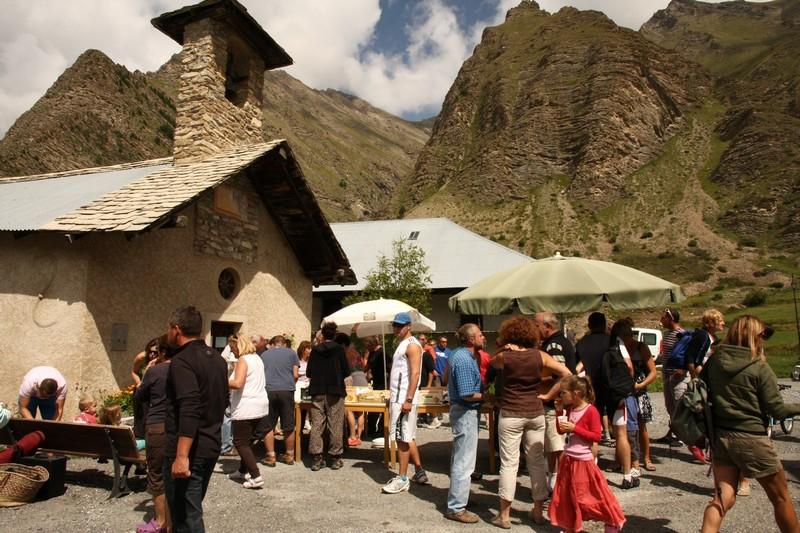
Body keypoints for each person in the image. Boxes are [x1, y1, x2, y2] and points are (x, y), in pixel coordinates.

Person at [701, 315, 800, 533]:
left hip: (721, 438)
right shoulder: (759, 367)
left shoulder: (714, 362)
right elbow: (777, 410)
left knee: (722, 498)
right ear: (755, 336)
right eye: (762, 335)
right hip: (753, 438)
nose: (763, 340)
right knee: (781, 498)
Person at [490, 316, 571, 529]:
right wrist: (549, 395)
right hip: (535, 412)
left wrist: (503, 347)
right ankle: (537, 512)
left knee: (509, 463)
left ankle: (504, 515)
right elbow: (567, 373)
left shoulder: (505, 357)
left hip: (510, 413)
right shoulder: (540, 355)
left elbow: (492, 362)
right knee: (536, 463)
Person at [164, 306, 228, 533]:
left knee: (186, 518)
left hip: (190, 450)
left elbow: (189, 407)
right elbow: (223, 400)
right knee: (189, 512)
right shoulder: (218, 359)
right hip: (210, 444)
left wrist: (181, 456)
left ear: (177, 329)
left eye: (168, 328)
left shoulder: (182, 361)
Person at [550, 375, 625, 533]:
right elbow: (561, 430)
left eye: (564, 392)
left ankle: (612, 521)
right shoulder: (571, 409)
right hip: (569, 458)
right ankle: (571, 525)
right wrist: (559, 413)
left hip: (583, 460)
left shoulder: (591, 411)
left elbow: (596, 436)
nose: (561, 395)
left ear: (576, 393)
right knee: (567, 495)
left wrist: (575, 428)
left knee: (590, 495)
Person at [382, 312, 429, 493]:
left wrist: (408, 399)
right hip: (398, 397)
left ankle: (402, 478)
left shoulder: (412, 345)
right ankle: (418, 470)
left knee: (402, 439)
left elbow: (415, 374)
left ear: (408, 326)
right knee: (406, 435)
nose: (396, 328)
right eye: (395, 325)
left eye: (400, 325)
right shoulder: (403, 344)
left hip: (404, 399)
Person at [444, 323, 486, 524]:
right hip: (465, 411)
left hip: (463, 411)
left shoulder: (458, 355)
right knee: (464, 461)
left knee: (460, 458)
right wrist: (489, 397)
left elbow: (446, 377)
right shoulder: (463, 359)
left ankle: (460, 499)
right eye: (480, 334)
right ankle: (456, 507)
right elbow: (467, 394)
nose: (483, 337)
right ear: (471, 339)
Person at [534, 312, 576, 491]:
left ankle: (559, 486)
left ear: (547, 326)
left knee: (557, 446)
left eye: (536, 325)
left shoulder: (554, 345)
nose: (534, 328)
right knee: (553, 446)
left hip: (555, 405)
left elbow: (562, 375)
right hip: (558, 404)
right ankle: (555, 483)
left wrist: (548, 395)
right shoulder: (556, 342)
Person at [135, 344, 173, 533]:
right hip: (178, 428)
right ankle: (172, 521)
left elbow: (139, 395)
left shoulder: (155, 371)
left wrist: (147, 373)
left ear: (163, 353)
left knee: (157, 475)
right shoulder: (184, 370)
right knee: (174, 474)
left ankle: (161, 522)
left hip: (157, 425)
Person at [306, 321, 351, 471]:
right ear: (334, 335)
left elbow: (309, 372)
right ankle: (335, 457)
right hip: (335, 390)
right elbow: (346, 371)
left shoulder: (315, 350)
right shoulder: (339, 350)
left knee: (317, 424)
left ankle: (317, 458)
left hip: (317, 390)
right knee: (335, 423)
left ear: (323, 335)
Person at [616, 318, 657, 477]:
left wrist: (641, 385)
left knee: (641, 424)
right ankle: (622, 458)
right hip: (624, 389)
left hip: (639, 389)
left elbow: (653, 372)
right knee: (621, 426)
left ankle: (646, 458)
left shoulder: (641, 347)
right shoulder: (618, 348)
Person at [227, 334, 269, 489]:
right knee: (247, 440)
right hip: (259, 404)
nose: (232, 352)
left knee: (240, 442)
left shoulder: (243, 360)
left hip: (246, 406)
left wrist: (218, 379)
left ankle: (256, 476)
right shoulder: (257, 358)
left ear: (239, 346)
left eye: (233, 348)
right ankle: (242, 470)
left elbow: (238, 383)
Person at [606, 319, 639, 489]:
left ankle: (594, 473)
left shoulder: (593, 343)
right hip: (620, 393)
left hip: (602, 392)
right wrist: (628, 382)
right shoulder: (618, 344)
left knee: (600, 433)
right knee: (622, 433)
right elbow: (629, 367)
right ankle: (628, 471)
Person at [260, 335, 300, 467]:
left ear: (272, 344)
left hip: (269, 390)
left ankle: (271, 456)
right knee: (288, 425)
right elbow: (295, 375)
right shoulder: (292, 353)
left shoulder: (264, 355)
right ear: (284, 344)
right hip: (286, 390)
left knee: (268, 425)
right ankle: (289, 455)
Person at [575, 312, 612, 443]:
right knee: (620, 429)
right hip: (612, 387)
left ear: (589, 326)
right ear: (604, 324)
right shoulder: (612, 340)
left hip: (592, 387)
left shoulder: (581, 343)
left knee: (593, 428)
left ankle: (592, 454)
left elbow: (575, 367)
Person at [658, 307, 685, 445]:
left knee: (678, 405)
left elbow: (686, 352)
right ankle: (673, 433)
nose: (661, 320)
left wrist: (682, 369)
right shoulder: (666, 334)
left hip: (677, 376)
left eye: (663, 318)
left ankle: (680, 436)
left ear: (671, 318)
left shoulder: (681, 334)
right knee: (670, 406)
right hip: (667, 374)